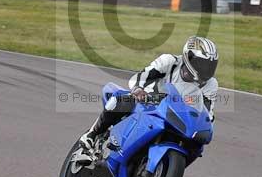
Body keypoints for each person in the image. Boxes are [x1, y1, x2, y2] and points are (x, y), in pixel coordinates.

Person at [79, 36, 219, 150]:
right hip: (149, 102)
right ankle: (91, 134)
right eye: (202, 64)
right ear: (189, 58)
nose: (206, 69)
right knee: (121, 100)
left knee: (197, 144)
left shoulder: (210, 84)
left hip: (177, 117)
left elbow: (207, 112)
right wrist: (138, 90)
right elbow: (142, 76)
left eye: (210, 66)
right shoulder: (170, 62)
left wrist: (205, 127)